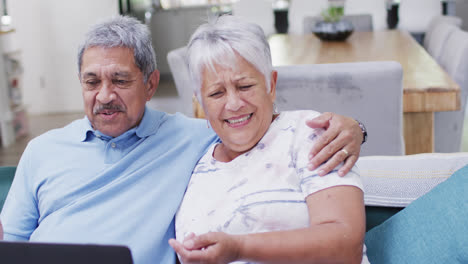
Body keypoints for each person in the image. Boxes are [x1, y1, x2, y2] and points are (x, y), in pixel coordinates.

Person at [0, 16, 365, 264]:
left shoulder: (194, 136)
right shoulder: (41, 151)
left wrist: (355, 128)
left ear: (151, 84)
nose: (105, 95)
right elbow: (11, 244)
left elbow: (261, 124)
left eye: (121, 81)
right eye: (92, 81)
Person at [169, 15, 369, 264]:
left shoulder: (308, 134)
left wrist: (239, 247)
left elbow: (345, 246)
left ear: (271, 85)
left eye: (244, 87)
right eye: (216, 93)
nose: (233, 104)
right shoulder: (192, 160)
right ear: (200, 104)